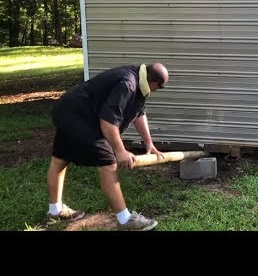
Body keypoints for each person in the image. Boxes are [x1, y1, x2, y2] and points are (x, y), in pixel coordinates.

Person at [47, 63, 169, 231]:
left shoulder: (140, 82)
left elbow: (139, 113)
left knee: (59, 160)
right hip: (79, 116)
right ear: (154, 82)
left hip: (72, 111)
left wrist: (149, 143)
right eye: (160, 87)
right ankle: (125, 220)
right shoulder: (128, 84)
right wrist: (120, 151)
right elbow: (108, 122)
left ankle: (55, 211)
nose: (158, 90)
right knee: (109, 165)